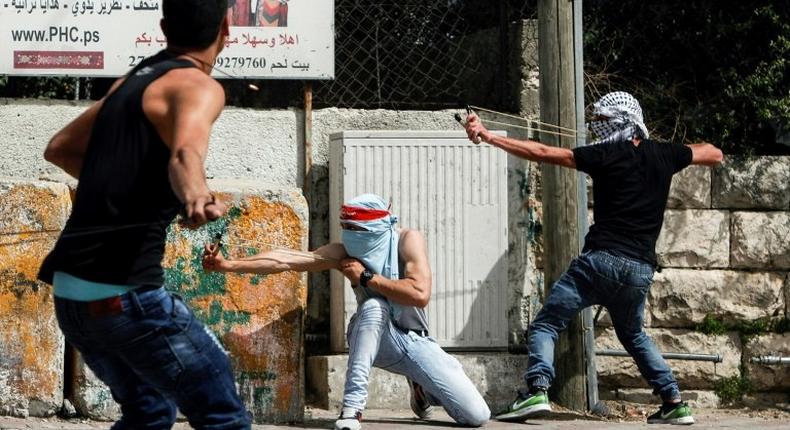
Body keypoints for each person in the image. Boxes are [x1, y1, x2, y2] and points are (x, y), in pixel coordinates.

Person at [38, 0, 252, 428]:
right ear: (226, 29)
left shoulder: (131, 81)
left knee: (150, 413)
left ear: (163, 27)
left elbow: (60, 149)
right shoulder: (198, 85)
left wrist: (142, 191)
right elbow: (185, 153)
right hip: (126, 298)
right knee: (224, 417)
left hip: (71, 299)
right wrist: (195, 195)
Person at [464, 91, 723, 425]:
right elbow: (714, 154)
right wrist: (682, 150)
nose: (594, 127)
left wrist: (487, 136)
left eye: (601, 121)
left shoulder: (605, 155)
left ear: (618, 123)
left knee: (546, 324)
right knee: (634, 336)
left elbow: (542, 152)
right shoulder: (664, 155)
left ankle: (537, 390)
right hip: (640, 269)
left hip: (599, 262)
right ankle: (673, 400)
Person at [202, 194, 490, 430]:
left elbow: (420, 294)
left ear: (381, 227)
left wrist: (366, 278)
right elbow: (287, 260)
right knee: (375, 307)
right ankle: (352, 409)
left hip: (415, 340)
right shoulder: (344, 251)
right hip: (372, 334)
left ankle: (420, 386)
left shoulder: (406, 240)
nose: (352, 237)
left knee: (476, 416)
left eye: (359, 231)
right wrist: (229, 265)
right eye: (347, 230)